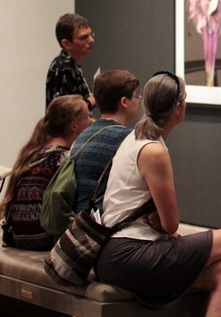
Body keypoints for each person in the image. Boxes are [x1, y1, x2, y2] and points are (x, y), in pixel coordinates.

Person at [94, 71, 221, 317]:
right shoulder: (154, 151)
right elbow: (171, 225)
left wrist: (157, 218)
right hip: (129, 254)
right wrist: (160, 219)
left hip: (118, 253)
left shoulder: (136, 138)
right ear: (178, 108)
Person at [1, 95, 93, 250]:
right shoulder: (64, 158)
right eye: (87, 116)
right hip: (45, 237)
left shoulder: (32, 153)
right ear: (74, 126)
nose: (91, 121)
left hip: (17, 236)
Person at [71, 69, 141, 214]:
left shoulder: (82, 137)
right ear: (124, 102)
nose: (139, 99)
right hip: (104, 228)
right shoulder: (129, 140)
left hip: (78, 224)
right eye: (137, 95)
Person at [45, 13, 96, 111]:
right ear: (66, 43)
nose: (91, 40)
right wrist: (94, 99)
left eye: (90, 35)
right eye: (83, 37)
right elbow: (70, 112)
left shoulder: (71, 64)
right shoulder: (64, 67)